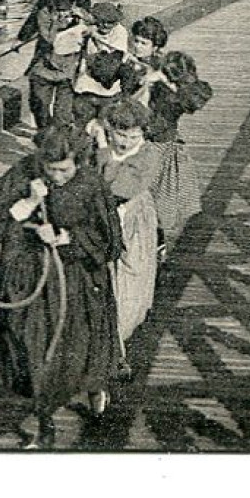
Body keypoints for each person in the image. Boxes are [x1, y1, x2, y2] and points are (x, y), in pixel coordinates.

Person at [0, 124, 123, 449]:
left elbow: (109, 240)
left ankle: (93, 384)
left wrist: (67, 238)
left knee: (78, 343)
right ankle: (44, 420)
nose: (56, 176)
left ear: (78, 162)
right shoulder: (24, 173)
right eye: (50, 169)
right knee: (33, 345)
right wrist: (28, 203)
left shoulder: (91, 185)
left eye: (64, 170)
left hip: (74, 280)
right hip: (29, 275)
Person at [91, 99, 161, 349]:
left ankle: (120, 333)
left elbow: (120, 187)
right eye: (120, 134)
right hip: (101, 216)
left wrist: (102, 149)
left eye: (133, 136)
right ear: (110, 128)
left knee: (131, 271)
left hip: (132, 219)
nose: (125, 142)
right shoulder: (103, 148)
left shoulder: (148, 154)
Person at [148, 51, 215, 243]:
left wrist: (155, 82)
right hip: (161, 146)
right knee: (158, 199)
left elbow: (156, 122)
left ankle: (156, 241)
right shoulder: (174, 92)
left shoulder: (175, 98)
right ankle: (156, 240)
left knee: (157, 198)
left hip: (159, 148)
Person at [21, 0, 86, 131]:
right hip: (44, 68)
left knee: (63, 114)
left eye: (66, 9)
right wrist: (57, 24)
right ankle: (45, 133)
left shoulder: (79, 16)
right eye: (59, 9)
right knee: (40, 108)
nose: (63, 13)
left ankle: (58, 138)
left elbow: (96, 24)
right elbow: (49, 39)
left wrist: (81, 17)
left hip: (67, 70)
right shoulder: (44, 15)